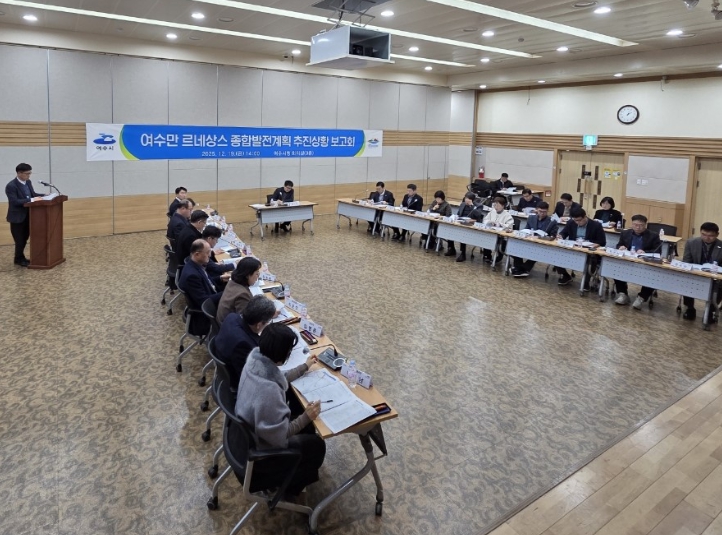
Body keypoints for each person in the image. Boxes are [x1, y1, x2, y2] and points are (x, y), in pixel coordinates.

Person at [235, 324, 325, 497]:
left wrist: (304, 367)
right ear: (283, 355)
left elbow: (279, 377)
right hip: (262, 457)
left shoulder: (254, 361)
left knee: (301, 416)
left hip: (247, 436)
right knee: (316, 445)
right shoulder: (269, 392)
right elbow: (281, 437)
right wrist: (307, 416)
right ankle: (288, 488)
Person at [214, 295, 276, 389]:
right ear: (259, 325)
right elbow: (253, 378)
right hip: (239, 382)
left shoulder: (232, 317)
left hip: (224, 366)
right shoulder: (244, 344)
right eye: (268, 322)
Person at [613, 215, 661, 309]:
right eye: (635, 225)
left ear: (645, 225)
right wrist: (620, 247)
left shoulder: (653, 236)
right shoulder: (625, 233)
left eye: (641, 225)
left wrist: (645, 252)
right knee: (616, 269)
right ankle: (623, 294)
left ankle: (641, 298)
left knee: (653, 275)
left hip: (645, 263)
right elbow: (619, 245)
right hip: (628, 261)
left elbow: (657, 251)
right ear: (632, 224)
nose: (638, 227)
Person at [178, 239, 224, 335]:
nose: (210, 255)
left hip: (211, 297)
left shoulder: (195, 264)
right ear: (197, 254)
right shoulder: (192, 276)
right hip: (206, 314)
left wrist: (221, 278)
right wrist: (227, 292)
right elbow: (205, 301)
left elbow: (206, 281)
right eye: (207, 252)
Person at [681, 222, 722, 320]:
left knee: (720, 286)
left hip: (715, 276)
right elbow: (686, 261)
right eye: (704, 234)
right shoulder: (691, 242)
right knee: (686, 281)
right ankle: (690, 308)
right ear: (700, 232)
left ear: (717, 234)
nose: (707, 238)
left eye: (711, 236)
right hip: (695, 273)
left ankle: (710, 311)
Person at [5, 163, 44, 266]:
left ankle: (20, 258)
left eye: (30, 173)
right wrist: (32, 199)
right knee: (19, 240)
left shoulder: (28, 182)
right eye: (27, 173)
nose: (29, 175)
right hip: (17, 217)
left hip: (29, 216)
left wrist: (44, 196)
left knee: (25, 238)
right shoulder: (11, 186)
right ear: (19, 173)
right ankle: (18, 259)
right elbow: (14, 201)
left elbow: (33, 195)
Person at [556, 207, 606, 286]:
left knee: (592, 260)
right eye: (575, 220)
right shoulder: (571, 222)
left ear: (585, 217)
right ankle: (566, 276)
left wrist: (593, 245)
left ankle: (586, 282)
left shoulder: (596, 225)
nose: (577, 222)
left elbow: (602, 241)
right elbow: (564, 233)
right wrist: (560, 236)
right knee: (556, 255)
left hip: (588, 251)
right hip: (573, 248)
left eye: (579, 220)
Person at [511, 201, 559, 278]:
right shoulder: (531, 218)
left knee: (536, 251)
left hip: (542, 245)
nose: (542, 213)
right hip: (530, 241)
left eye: (544, 212)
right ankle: (519, 268)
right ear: (536, 210)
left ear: (547, 211)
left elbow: (552, 237)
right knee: (515, 246)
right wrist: (527, 233)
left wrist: (540, 237)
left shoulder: (552, 222)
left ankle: (522, 269)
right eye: (540, 211)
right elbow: (526, 229)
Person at [217, 257, 262, 323]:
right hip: (230, 327)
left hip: (224, 322)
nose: (258, 276)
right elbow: (247, 320)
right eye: (256, 273)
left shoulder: (232, 282)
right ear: (248, 275)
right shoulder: (242, 294)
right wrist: (267, 315)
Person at [444, 192, 480, 260]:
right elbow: (459, 214)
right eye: (465, 198)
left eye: (467, 198)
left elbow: (478, 216)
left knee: (462, 234)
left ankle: (463, 254)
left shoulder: (478, 206)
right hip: (461, 223)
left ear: (472, 200)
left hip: (471, 226)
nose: (466, 200)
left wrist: (471, 206)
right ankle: (451, 249)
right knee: (450, 230)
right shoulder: (463, 204)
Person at [480, 196, 514, 263]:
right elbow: (485, 220)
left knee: (500, 242)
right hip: (491, 233)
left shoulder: (507, 215)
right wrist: (490, 222)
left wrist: (500, 224)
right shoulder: (492, 212)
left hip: (501, 236)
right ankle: (487, 255)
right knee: (486, 238)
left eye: (498, 205)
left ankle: (499, 257)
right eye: (494, 205)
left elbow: (509, 226)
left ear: (503, 206)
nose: (496, 207)